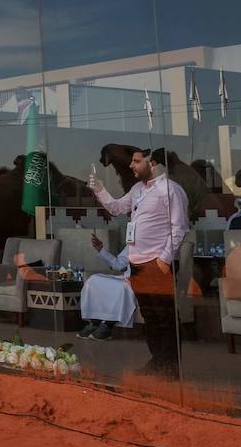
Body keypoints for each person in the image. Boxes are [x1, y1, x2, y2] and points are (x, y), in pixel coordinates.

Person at [89, 148, 188, 376]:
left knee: (165, 318)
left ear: (152, 164)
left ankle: (171, 369)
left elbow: (179, 227)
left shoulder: (170, 190)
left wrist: (164, 259)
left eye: (136, 161)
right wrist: (100, 189)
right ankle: (158, 363)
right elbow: (115, 208)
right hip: (138, 265)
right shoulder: (137, 190)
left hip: (157, 265)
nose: (131, 166)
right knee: (151, 318)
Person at [77, 232, 136, 341]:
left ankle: (108, 325)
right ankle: (95, 322)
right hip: (125, 278)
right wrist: (100, 249)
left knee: (123, 288)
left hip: (137, 281)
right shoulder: (133, 242)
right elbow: (118, 264)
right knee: (93, 280)